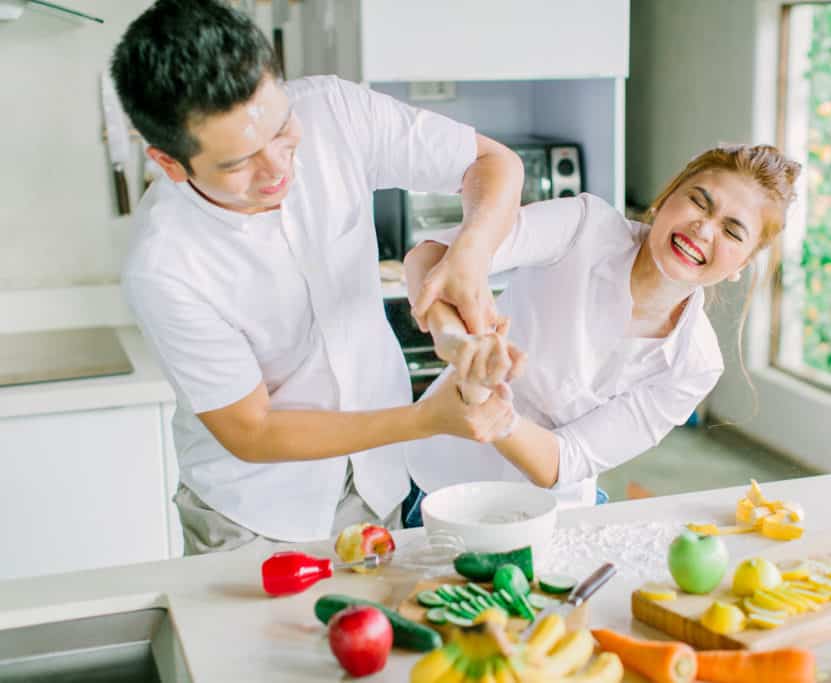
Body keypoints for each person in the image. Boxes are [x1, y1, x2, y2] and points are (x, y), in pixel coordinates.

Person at [112, 0, 525, 554]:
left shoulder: (334, 110)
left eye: (281, 129)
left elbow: (494, 163)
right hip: (255, 514)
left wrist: (469, 256)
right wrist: (427, 420)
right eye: (238, 163)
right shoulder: (164, 265)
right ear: (170, 163)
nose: (277, 168)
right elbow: (253, 431)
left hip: (381, 482)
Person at [403, 144, 801, 512]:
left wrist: (485, 402)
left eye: (732, 231)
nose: (704, 229)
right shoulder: (582, 227)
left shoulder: (695, 364)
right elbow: (433, 257)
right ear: (667, 197)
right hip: (441, 491)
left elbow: (562, 462)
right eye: (698, 201)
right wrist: (457, 342)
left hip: (555, 516)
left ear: (740, 266)